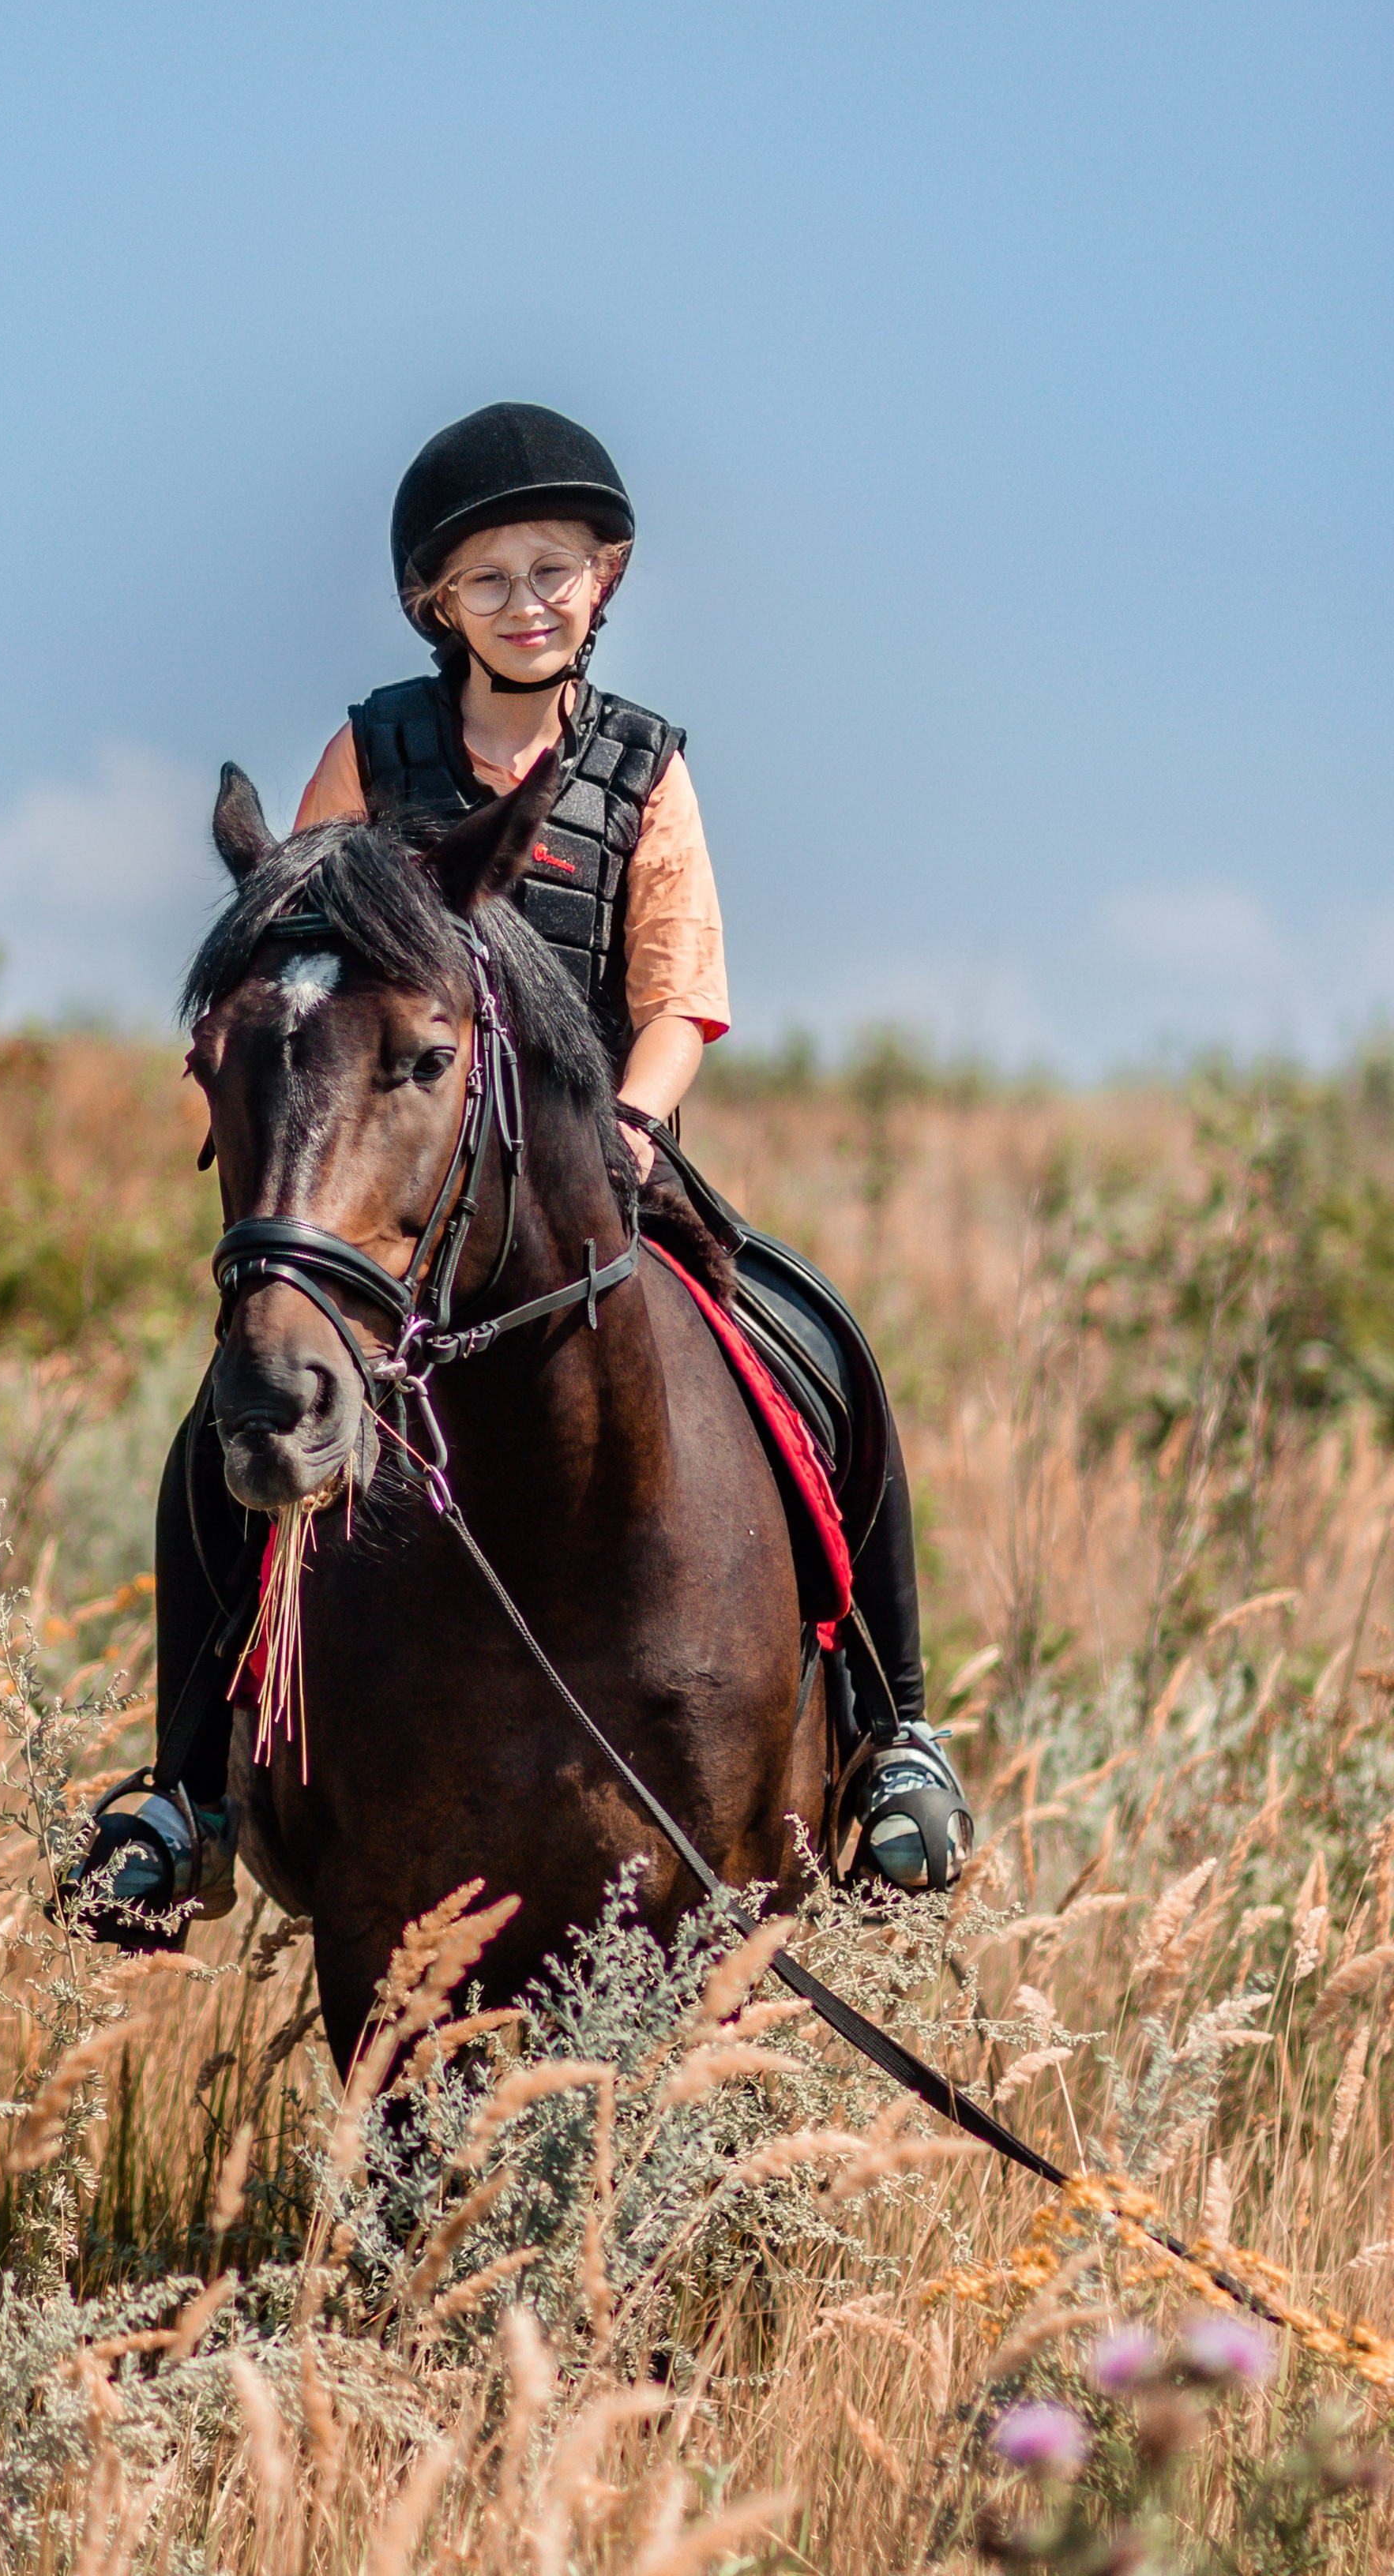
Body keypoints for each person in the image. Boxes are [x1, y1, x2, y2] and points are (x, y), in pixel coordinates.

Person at [73, 403, 972, 1936]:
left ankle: (892, 1737)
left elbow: (682, 986)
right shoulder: (371, 750)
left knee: (826, 1352)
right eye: (488, 579)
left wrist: (629, 1126)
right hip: (402, 1196)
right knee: (220, 1445)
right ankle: (183, 1791)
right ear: (437, 604)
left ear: (601, 582)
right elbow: (295, 961)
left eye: (552, 571)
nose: (524, 602)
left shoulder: (642, 769)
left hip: (595, 1177)